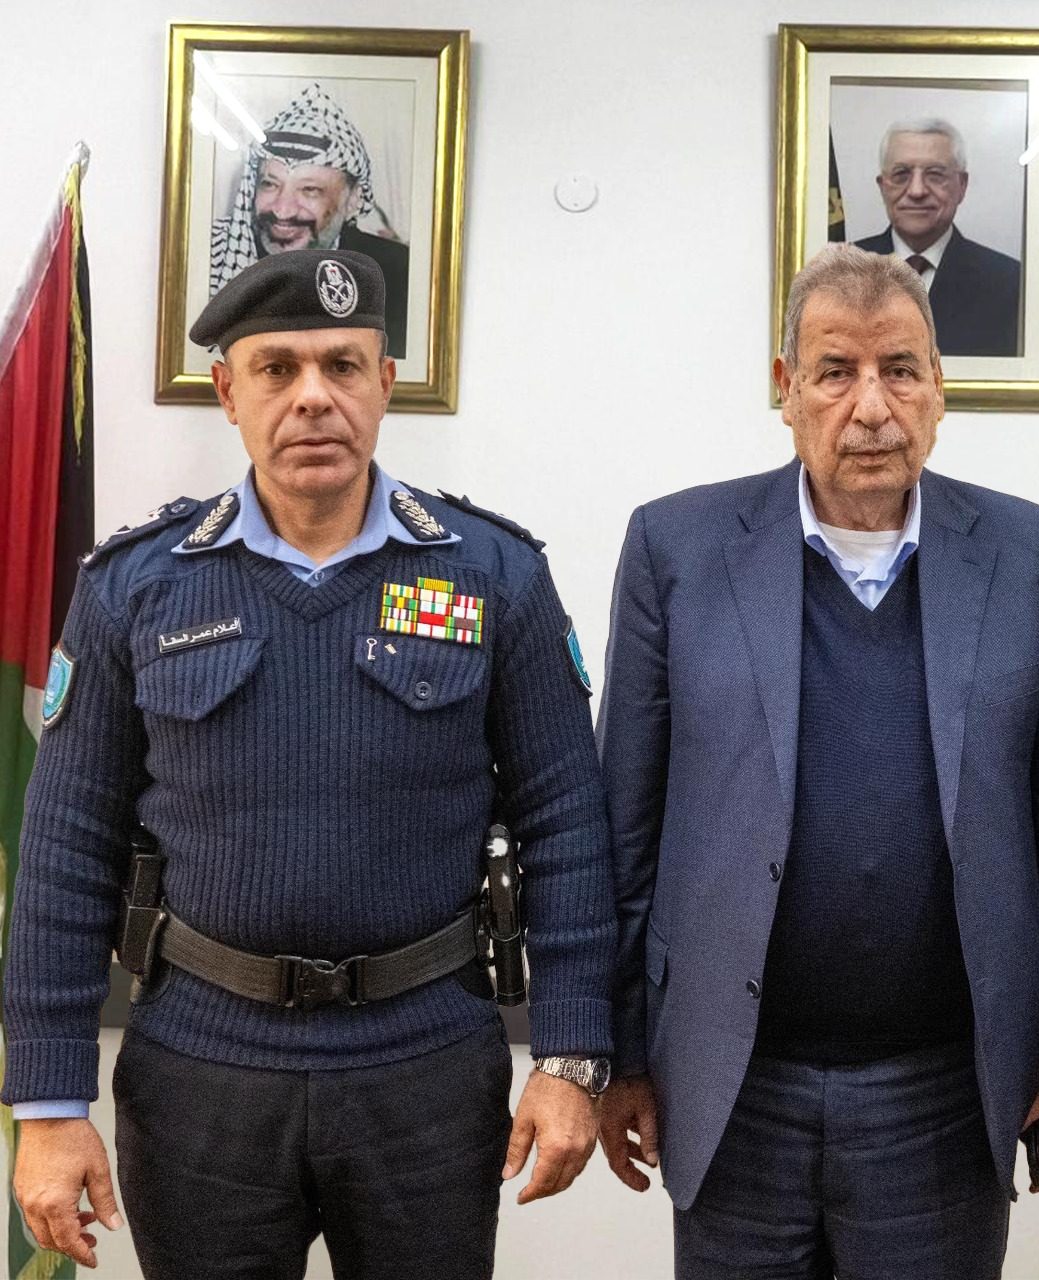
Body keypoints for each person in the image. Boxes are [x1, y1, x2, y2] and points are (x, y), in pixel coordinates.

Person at [3, 248, 616, 1279]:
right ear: (227, 391)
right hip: (202, 1073)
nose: (313, 397)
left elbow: (566, 823)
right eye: (277, 368)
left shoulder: (491, 574)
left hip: (426, 1068)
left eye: (342, 364)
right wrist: (49, 1103)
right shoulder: (135, 587)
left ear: (385, 381)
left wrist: (571, 1054)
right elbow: (66, 850)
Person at [596, 243, 1039, 1279]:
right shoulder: (677, 550)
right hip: (732, 1089)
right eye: (835, 371)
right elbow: (625, 827)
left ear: (938, 384)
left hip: (943, 1095)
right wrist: (621, 1051)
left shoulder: (1036, 557)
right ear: (786, 388)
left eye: (899, 369)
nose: (871, 407)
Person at [210, 83, 410, 358]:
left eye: (310, 190)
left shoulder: (398, 274)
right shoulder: (217, 254)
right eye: (270, 184)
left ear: (353, 199)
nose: (282, 210)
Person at [854, 118, 1022, 357]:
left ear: (961, 186)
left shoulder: (1010, 283)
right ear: (883, 187)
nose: (917, 191)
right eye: (901, 174)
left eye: (935, 175)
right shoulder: (838, 272)